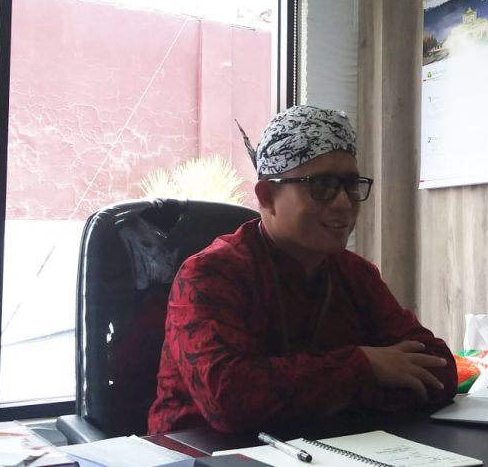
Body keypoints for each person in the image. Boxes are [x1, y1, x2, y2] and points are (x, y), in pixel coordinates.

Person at [148, 105, 457, 434]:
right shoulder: (209, 276)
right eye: (321, 185)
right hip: (198, 451)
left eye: (351, 184)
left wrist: (325, 392)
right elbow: (231, 400)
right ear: (267, 197)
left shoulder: (355, 274)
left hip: (323, 449)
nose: (344, 202)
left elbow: (439, 371)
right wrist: (362, 367)